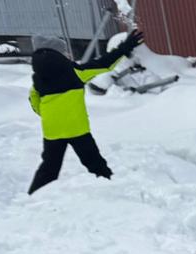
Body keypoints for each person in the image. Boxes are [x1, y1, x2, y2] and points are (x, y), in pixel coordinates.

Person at [26, 30, 143, 194]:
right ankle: (111, 188)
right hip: (77, 128)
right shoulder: (74, 72)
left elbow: (35, 104)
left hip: (52, 131)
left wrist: (52, 116)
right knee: (95, 162)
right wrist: (125, 47)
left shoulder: (37, 79)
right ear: (60, 54)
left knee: (49, 168)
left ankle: (33, 196)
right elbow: (105, 63)